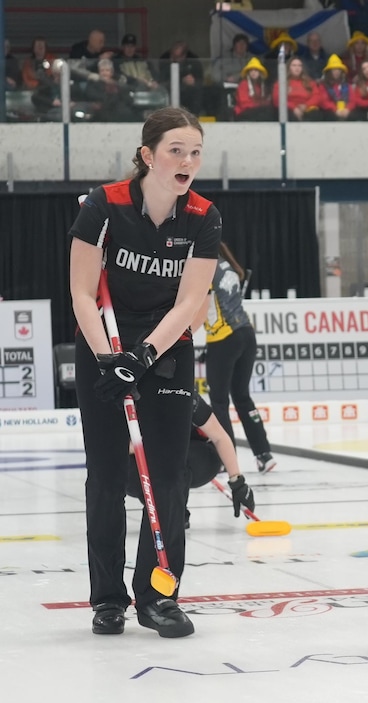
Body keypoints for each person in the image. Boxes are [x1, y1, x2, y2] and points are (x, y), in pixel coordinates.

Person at [68, 106, 221, 638]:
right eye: (176, 150)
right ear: (147, 155)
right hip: (103, 349)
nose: (187, 161)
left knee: (170, 476)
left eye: (195, 151)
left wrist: (142, 357)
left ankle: (158, 596)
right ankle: (107, 598)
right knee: (107, 477)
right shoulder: (103, 206)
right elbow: (83, 293)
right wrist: (111, 359)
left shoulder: (203, 216)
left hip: (165, 351)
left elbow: (189, 304)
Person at [126, 394, 255, 529]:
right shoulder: (127, 398)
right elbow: (116, 446)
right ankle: (160, 508)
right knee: (130, 469)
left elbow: (220, 437)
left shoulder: (184, 395)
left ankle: (176, 511)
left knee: (173, 459)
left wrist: (238, 482)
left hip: (196, 454)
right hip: (146, 456)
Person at [203, 242, 276, 474]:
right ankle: (264, 454)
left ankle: (226, 459)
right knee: (242, 397)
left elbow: (200, 305)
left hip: (224, 338)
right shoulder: (227, 265)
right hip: (246, 334)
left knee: (219, 402)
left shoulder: (204, 267)